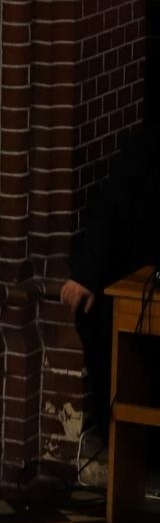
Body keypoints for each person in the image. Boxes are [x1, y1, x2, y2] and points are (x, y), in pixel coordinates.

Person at [59, 124, 160, 455]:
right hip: (135, 274)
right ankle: (122, 446)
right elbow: (112, 209)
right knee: (101, 321)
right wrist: (86, 275)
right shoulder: (146, 146)